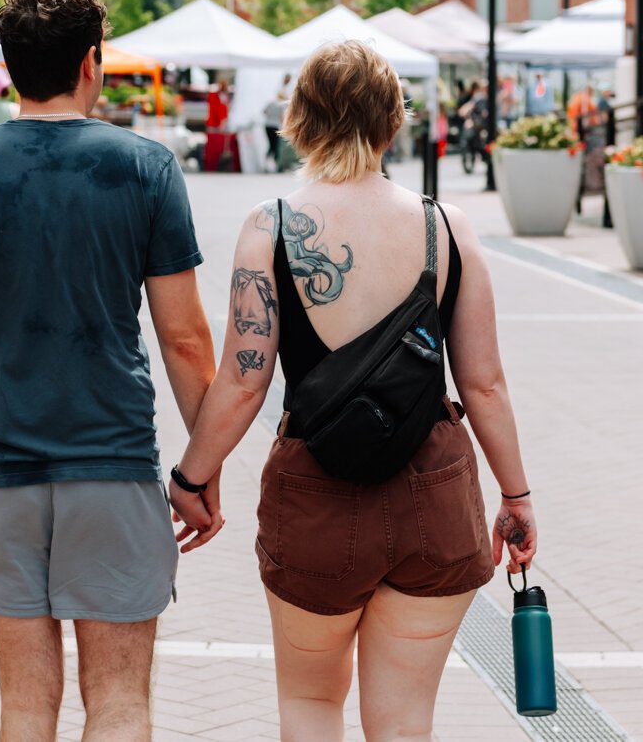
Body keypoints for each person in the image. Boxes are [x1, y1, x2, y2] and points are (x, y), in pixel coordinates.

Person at [170, 41, 537, 741]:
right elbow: (483, 383)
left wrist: (193, 473)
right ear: (391, 122)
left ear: (299, 118)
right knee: (404, 723)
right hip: (435, 492)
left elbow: (244, 381)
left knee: (310, 704)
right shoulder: (446, 228)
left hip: (315, 501)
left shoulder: (270, 225)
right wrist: (515, 497)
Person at [0, 0, 216, 740]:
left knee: (22, 704)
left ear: (11, 67)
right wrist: (200, 471)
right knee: (118, 699)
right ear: (91, 63)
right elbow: (184, 340)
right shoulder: (144, 168)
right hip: (111, 459)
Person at [204, 76, 235, 172]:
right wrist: (223, 125)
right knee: (215, 152)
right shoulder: (221, 97)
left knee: (211, 153)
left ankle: (210, 168)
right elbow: (222, 112)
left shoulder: (212, 95)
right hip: (216, 129)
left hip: (212, 127)